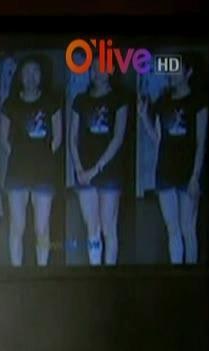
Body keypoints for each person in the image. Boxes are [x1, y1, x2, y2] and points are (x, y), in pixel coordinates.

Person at [139, 63, 209, 265]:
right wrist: (144, 116)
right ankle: (177, 271)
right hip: (165, 171)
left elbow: (201, 142)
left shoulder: (198, 101)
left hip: (189, 171)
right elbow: (157, 139)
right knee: (173, 229)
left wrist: (195, 177)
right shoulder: (163, 101)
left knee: (188, 228)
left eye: (177, 70)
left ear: (189, 72)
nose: (172, 74)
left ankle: (191, 274)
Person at [0, 58, 63, 267]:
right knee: (17, 227)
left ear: (41, 75)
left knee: (42, 228)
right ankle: (16, 271)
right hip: (17, 171)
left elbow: (58, 138)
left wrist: (42, 156)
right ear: (20, 75)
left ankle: (42, 270)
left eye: (35, 71)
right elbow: (3, 138)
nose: (31, 76)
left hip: (44, 172)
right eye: (26, 71)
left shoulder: (51, 102)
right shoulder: (10, 103)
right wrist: (19, 155)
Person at [70, 71, 130, 265]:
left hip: (109, 171)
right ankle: (95, 268)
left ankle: (109, 272)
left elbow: (118, 138)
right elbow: (73, 137)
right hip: (83, 171)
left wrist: (96, 169)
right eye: (94, 68)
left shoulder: (119, 99)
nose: (98, 72)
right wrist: (79, 168)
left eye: (102, 67)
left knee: (108, 228)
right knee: (92, 227)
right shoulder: (80, 100)